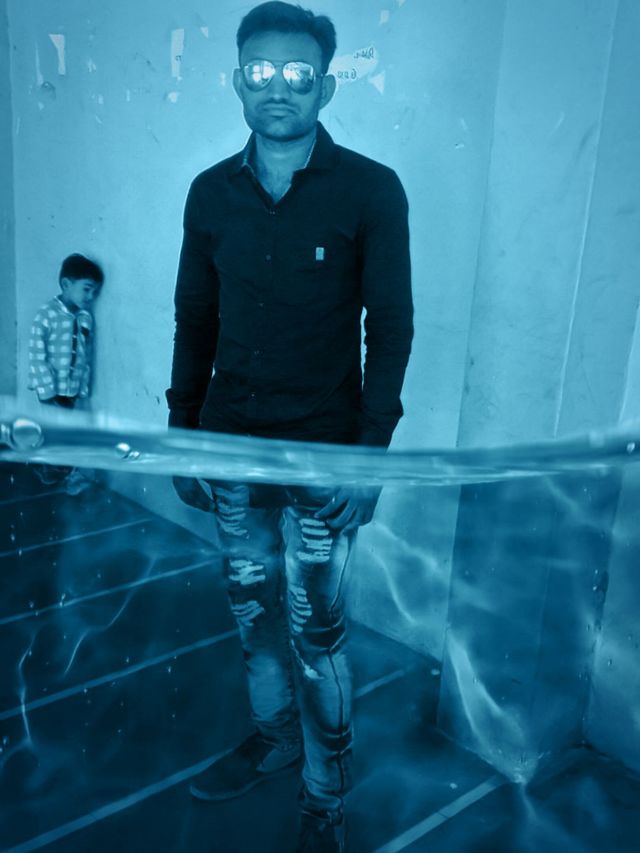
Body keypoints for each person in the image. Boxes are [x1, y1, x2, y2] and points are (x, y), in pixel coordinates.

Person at [167, 3, 413, 850]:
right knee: (252, 614)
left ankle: (324, 796)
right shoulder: (210, 193)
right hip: (230, 443)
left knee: (317, 634)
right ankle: (275, 741)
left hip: (323, 455)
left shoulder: (371, 190)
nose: (279, 88)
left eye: (299, 73)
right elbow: (194, 320)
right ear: (238, 81)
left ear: (326, 86)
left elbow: (392, 328)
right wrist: (184, 434)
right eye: (261, 72)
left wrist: (368, 460)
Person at [28, 253, 103, 493]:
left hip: (71, 388)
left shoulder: (85, 318)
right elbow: (37, 354)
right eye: (87, 289)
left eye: (94, 292)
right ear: (66, 284)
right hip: (50, 389)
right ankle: (59, 475)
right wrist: (47, 392)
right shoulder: (47, 314)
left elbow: (85, 356)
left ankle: (50, 470)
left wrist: (83, 388)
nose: (90, 297)